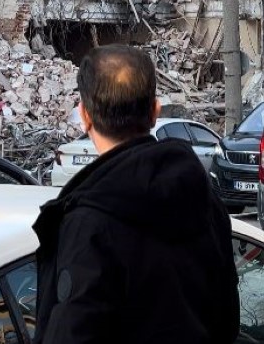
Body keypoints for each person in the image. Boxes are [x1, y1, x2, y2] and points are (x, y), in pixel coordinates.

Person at [32, 45, 239, 344]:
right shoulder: (204, 200)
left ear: (85, 116)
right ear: (155, 112)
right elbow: (227, 317)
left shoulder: (88, 224)